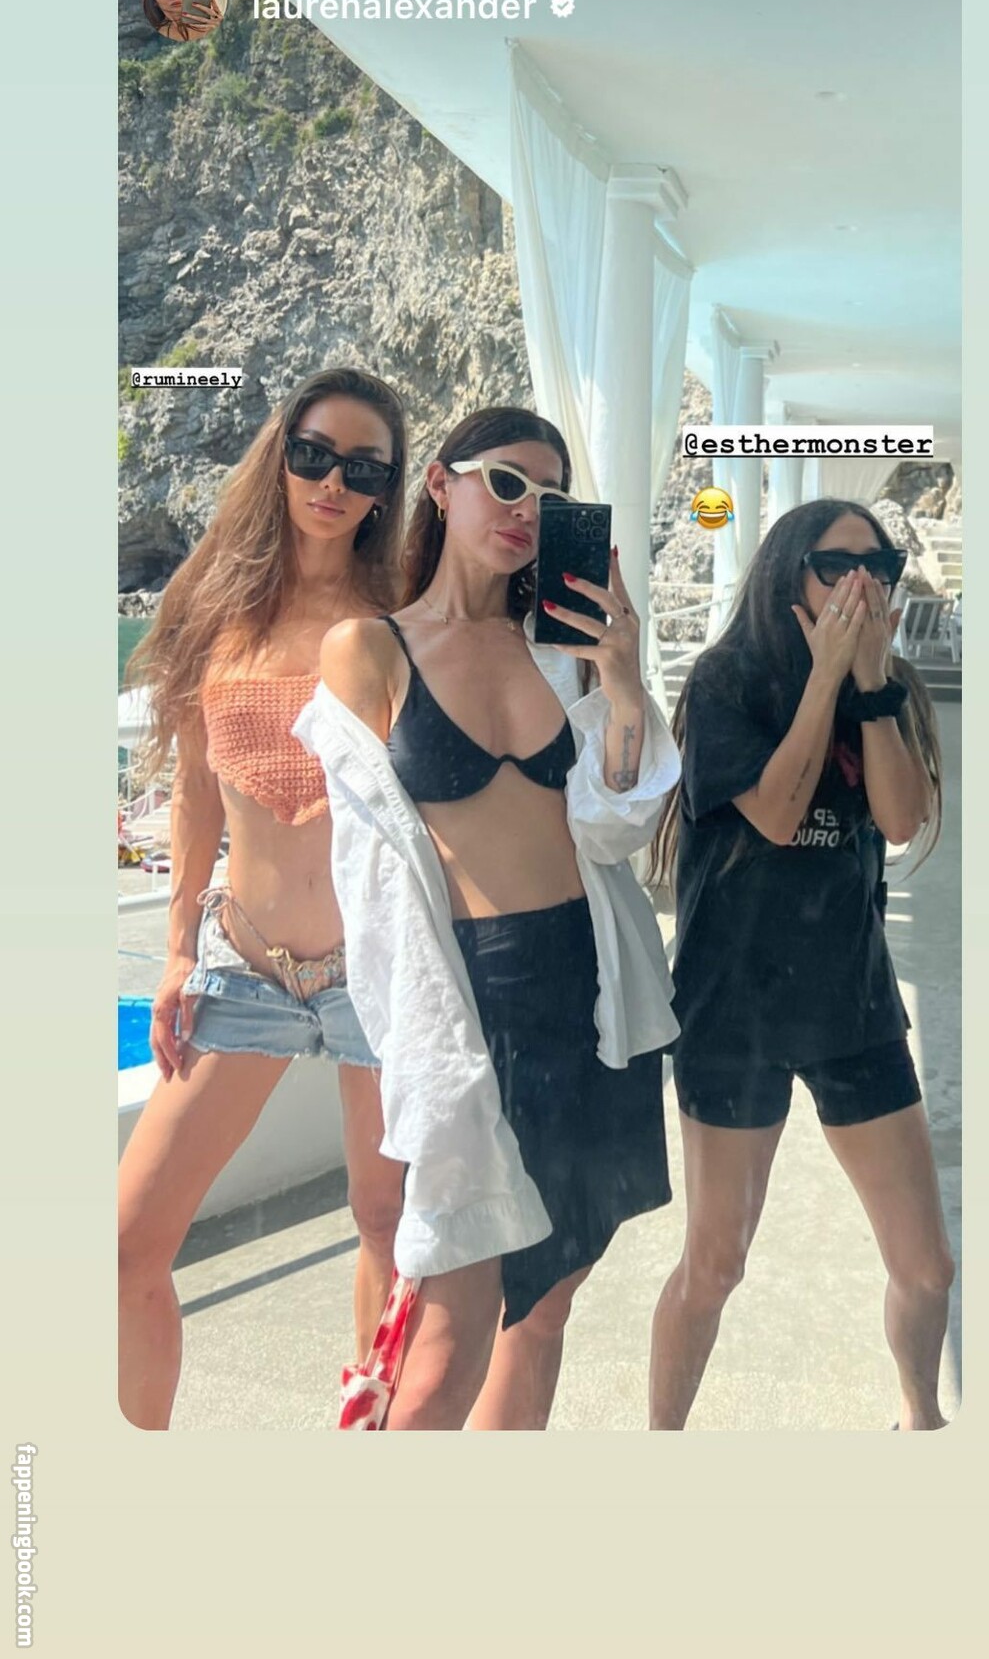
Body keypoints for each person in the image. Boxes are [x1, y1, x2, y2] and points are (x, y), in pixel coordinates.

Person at [294, 407, 681, 1429]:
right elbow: (371, 887)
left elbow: (614, 831)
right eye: (507, 482)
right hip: (470, 1000)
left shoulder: (560, 652)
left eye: (551, 498)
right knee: (447, 1341)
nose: (527, 511)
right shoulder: (368, 650)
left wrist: (624, 685)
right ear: (441, 483)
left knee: (545, 1312)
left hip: (591, 994)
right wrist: (424, 1058)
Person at [118, 368, 409, 1429]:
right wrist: (176, 952)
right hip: (244, 969)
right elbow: (198, 793)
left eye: (363, 468)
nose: (333, 483)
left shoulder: (400, 617)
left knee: (390, 1232)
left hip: (375, 974)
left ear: (388, 490)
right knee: (125, 1247)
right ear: (280, 457)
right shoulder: (215, 603)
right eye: (314, 455)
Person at [647, 500, 954, 1431]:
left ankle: (921, 1421)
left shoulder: (889, 685)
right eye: (836, 565)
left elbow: (899, 820)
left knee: (927, 1266)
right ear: (790, 573)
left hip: (850, 1002)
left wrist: (870, 687)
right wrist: (823, 681)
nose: (861, 585)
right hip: (732, 1008)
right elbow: (778, 817)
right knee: (716, 1264)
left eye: (879, 568)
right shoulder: (727, 680)